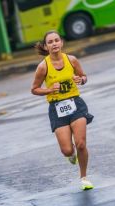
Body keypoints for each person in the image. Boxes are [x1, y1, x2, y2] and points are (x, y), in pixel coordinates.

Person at [31, 30, 94, 190]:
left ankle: (84, 178)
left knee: (80, 144)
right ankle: (70, 155)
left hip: (76, 105)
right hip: (57, 108)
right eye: (50, 42)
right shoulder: (43, 67)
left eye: (56, 40)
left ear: (61, 43)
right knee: (67, 150)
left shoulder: (71, 60)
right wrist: (50, 89)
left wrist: (81, 79)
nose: (54, 44)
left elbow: (84, 77)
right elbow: (34, 89)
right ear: (46, 47)